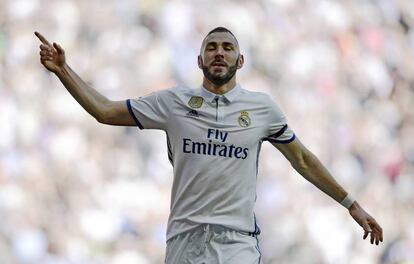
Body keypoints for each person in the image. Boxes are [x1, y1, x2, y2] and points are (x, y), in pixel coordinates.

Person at [35, 27, 383, 263]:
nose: (219, 53)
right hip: (184, 241)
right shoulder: (173, 102)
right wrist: (64, 71)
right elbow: (105, 111)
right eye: (211, 48)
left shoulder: (262, 108)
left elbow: (303, 160)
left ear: (240, 61)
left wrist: (351, 204)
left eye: (228, 47)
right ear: (199, 60)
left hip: (236, 243)